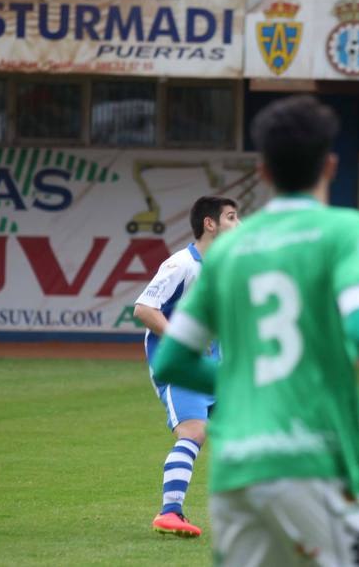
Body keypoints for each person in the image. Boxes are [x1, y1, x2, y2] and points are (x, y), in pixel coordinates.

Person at [152, 95, 359, 567]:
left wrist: (247, 381)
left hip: (236, 474)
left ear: (264, 172)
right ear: (330, 165)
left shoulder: (226, 253)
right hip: (311, 458)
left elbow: (171, 361)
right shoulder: (347, 231)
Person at [133, 195, 240, 538]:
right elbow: (145, 309)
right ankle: (170, 512)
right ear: (210, 224)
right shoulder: (181, 264)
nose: (239, 225)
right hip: (181, 366)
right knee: (193, 431)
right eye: (232, 217)